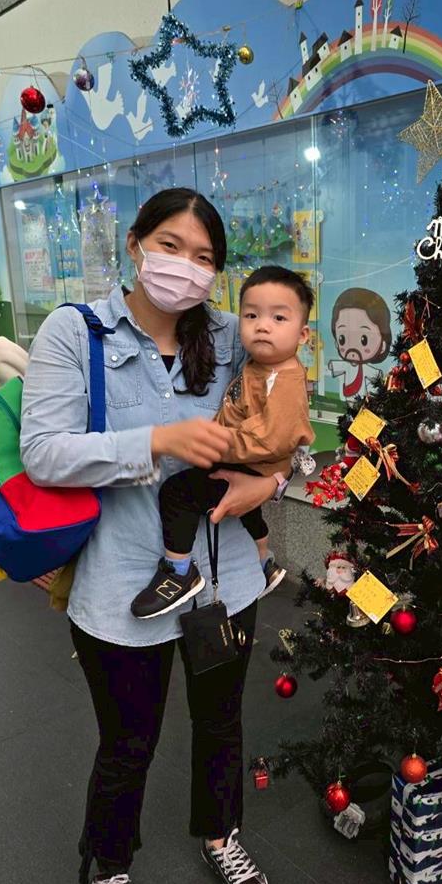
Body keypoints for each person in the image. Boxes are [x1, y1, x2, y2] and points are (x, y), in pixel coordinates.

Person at [21, 188, 288, 884]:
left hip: (224, 581)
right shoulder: (75, 332)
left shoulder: (234, 335)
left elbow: (289, 426)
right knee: (127, 743)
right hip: (120, 588)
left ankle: (221, 834)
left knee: (221, 721)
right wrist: (158, 441)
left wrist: (272, 482)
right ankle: (109, 871)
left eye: (204, 258)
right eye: (172, 246)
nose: (186, 268)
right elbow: (45, 452)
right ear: (136, 243)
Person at [130, 265, 314, 619]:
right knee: (246, 508)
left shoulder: (284, 379)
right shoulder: (262, 365)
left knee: (177, 493)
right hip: (249, 461)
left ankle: (178, 572)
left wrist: (215, 442)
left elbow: (272, 438)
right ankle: (264, 561)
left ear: (303, 334)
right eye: (251, 315)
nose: (262, 326)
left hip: (249, 460)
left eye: (278, 318)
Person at [326, 286, 391, 399]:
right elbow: (334, 366)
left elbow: (376, 374)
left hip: (364, 399)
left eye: (364, 340)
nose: (353, 348)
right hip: (348, 397)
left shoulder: (366, 369)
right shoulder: (346, 365)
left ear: (383, 346)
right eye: (342, 338)